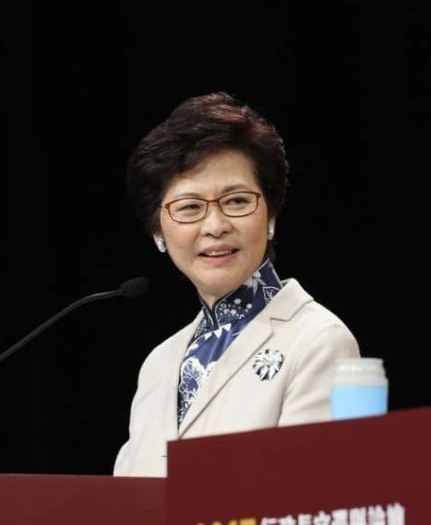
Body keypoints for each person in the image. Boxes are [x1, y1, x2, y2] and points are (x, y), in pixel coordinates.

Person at [113, 91, 360, 477]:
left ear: (271, 213)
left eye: (237, 201)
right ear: (158, 232)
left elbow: (317, 503)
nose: (215, 226)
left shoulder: (319, 342)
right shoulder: (159, 364)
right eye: (190, 207)